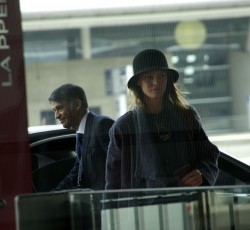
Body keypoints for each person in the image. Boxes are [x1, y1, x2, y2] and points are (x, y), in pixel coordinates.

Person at [105, 49, 220, 190]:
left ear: (168, 79)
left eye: (161, 75)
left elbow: (209, 154)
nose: (156, 82)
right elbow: (112, 183)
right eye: (148, 77)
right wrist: (110, 211)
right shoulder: (124, 127)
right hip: (141, 207)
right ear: (138, 82)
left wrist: (202, 173)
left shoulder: (187, 116)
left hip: (186, 202)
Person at [48, 83, 114, 190]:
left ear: (77, 104)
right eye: (55, 111)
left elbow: (119, 166)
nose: (56, 116)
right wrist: (52, 195)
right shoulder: (81, 134)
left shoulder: (102, 125)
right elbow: (75, 174)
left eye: (59, 108)